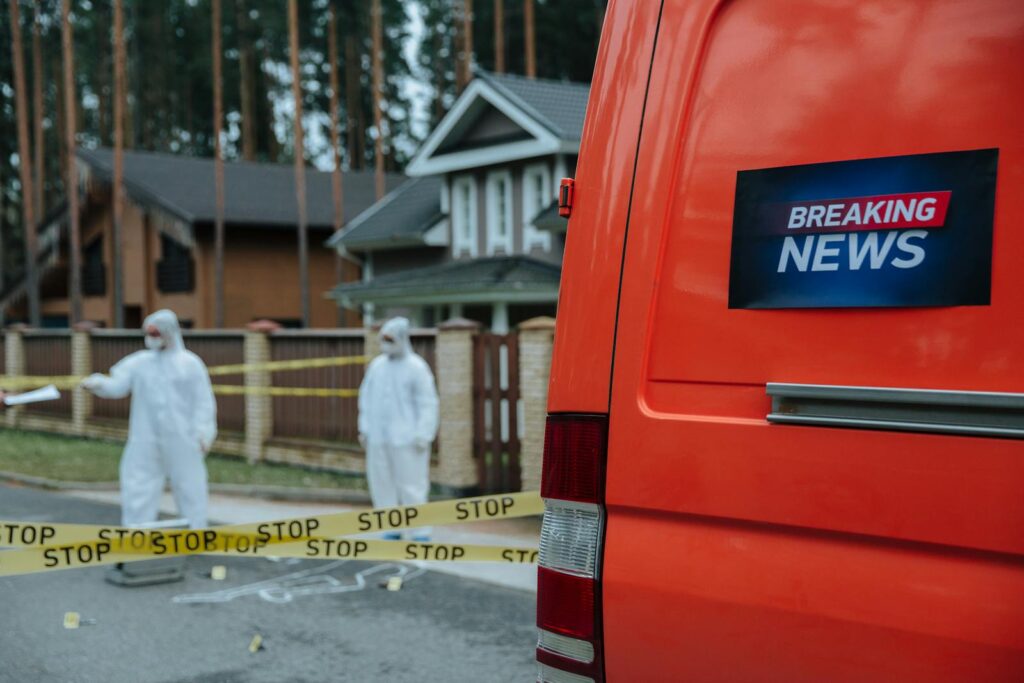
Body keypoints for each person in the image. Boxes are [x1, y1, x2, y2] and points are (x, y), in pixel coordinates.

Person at [81, 309, 216, 529]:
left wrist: (204, 432)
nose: (151, 338)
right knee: (138, 483)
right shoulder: (140, 363)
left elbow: (203, 402)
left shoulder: (190, 364)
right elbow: (117, 385)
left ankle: (196, 531)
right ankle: (137, 532)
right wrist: (99, 384)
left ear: (168, 333)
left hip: (183, 438)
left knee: (189, 485)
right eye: (148, 334)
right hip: (145, 437)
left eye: (155, 334)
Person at [358, 317, 439, 541]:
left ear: (402, 339)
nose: (386, 343)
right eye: (383, 339)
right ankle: (390, 528)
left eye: (390, 339)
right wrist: (365, 428)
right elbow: (365, 399)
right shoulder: (377, 367)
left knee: (412, 486)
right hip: (378, 438)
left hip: (408, 440)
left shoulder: (417, 367)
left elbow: (428, 403)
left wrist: (424, 433)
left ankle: (420, 532)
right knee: (382, 483)